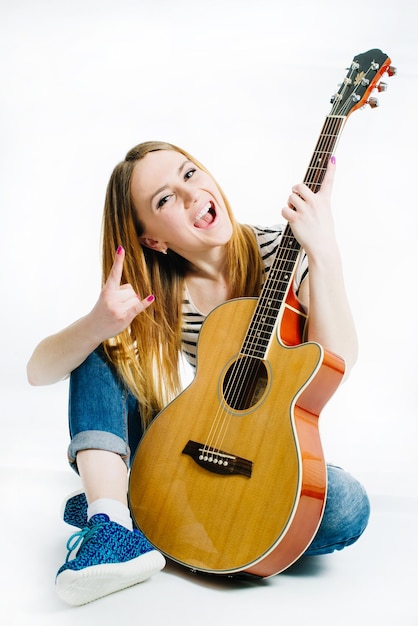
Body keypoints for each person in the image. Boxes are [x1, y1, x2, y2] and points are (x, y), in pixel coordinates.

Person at [27, 140, 370, 606]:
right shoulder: (161, 293)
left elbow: (337, 362)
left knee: (347, 505)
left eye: (189, 174)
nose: (190, 195)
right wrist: (95, 323)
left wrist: (325, 252)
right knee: (94, 348)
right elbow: (38, 371)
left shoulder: (283, 253)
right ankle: (110, 524)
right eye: (164, 199)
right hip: (195, 437)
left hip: (266, 450)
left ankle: (140, 505)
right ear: (153, 239)